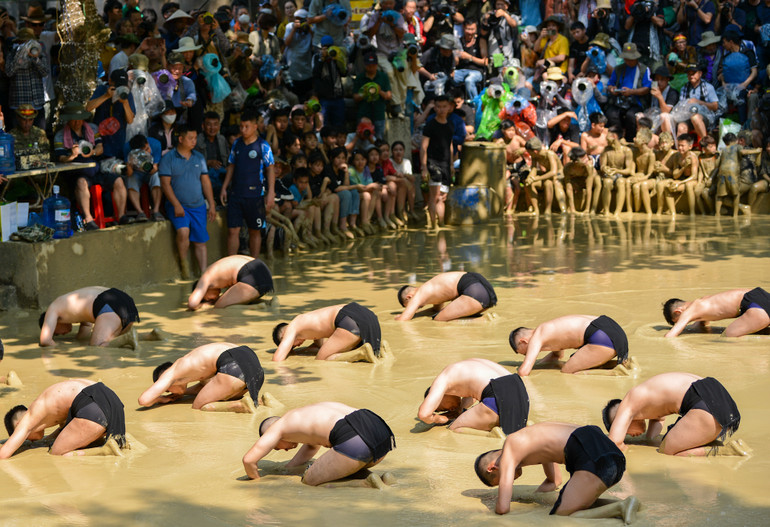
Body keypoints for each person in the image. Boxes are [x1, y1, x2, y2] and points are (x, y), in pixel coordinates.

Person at [474, 422, 638, 520]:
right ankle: (628, 504)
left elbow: (503, 509)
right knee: (578, 503)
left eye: (501, 480)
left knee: (562, 517)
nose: (510, 480)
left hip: (590, 456)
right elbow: (554, 481)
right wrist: (535, 496)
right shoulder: (528, 436)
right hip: (612, 456)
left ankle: (620, 507)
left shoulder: (510, 446)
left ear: (492, 467)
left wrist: (488, 511)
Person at [242, 402, 395, 488]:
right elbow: (312, 446)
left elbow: (249, 460)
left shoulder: (277, 426)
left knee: (309, 481)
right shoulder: (301, 415)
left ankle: (365, 483)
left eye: (276, 447)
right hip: (380, 432)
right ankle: (382, 479)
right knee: (338, 468)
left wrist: (257, 485)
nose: (285, 450)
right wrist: (289, 468)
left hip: (354, 438)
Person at [602, 372, 744, 456]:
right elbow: (659, 418)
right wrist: (650, 438)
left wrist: (631, 453)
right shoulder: (643, 398)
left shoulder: (629, 401)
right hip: (721, 398)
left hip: (704, 404)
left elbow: (614, 443)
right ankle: (711, 440)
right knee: (671, 442)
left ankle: (724, 451)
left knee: (667, 451)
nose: (628, 435)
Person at [1, 379, 127, 458]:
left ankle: (104, 451)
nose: (29, 440)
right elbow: (63, 432)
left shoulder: (29, 416)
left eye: (24, 438)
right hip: (112, 403)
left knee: (56, 453)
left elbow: (3, 455)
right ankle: (118, 441)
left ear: (18, 425)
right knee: (72, 441)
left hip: (92, 406)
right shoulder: (48, 407)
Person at [139, 342, 266, 412]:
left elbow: (143, 400)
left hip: (232, 366)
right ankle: (262, 401)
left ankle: (239, 405)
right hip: (254, 367)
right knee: (221, 393)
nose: (169, 393)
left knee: (197, 407)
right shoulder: (191, 365)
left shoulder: (171, 373)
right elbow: (205, 387)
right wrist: (184, 393)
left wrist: (159, 399)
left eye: (167, 390)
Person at [159, 125, 216, 279]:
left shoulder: (199, 157)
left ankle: (203, 273)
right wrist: (176, 205)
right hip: (178, 205)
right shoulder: (168, 158)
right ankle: (184, 267)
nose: (194, 141)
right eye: (190, 138)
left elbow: (206, 182)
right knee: (183, 232)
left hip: (198, 205)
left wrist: (212, 204)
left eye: (195, 138)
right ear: (180, 139)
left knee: (200, 241)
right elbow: (165, 184)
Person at [419, 358, 529, 435]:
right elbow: (473, 395)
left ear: (438, 396)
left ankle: (492, 435)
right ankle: (527, 425)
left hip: (497, 395)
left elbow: (424, 414)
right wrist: (459, 410)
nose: (450, 409)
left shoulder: (442, 379)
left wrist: (440, 418)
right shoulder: (463, 367)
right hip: (521, 391)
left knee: (454, 428)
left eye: (442, 407)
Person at [220, 111, 276, 259]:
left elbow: (270, 169)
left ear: (255, 127)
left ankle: (254, 263)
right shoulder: (237, 144)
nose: (243, 130)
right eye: (241, 126)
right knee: (233, 230)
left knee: (254, 231)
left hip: (255, 196)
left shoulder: (263, 146)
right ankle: (231, 263)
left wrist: (271, 193)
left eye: (247, 126)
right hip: (236, 194)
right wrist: (224, 187)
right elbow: (231, 166)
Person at [509, 315, 629, 377]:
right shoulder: (547, 329)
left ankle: (616, 372)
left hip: (602, 337)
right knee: (575, 362)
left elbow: (524, 372)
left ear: (523, 341)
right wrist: (538, 363)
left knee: (567, 371)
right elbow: (557, 356)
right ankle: (622, 364)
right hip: (612, 329)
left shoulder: (537, 336)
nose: (528, 355)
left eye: (525, 353)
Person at [272, 303, 383, 362]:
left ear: (283, 336)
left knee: (321, 360)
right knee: (372, 355)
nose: (297, 346)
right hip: (366, 315)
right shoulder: (307, 320)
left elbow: (277, 359)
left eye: (292, 346)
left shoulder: (293, 326)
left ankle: (360, 353)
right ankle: (383, 349)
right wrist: (300, 352)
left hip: (348, 320)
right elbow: (319, 346)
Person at [38, 287, 139, 349]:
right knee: (112, 338)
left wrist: (62, 348)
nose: (62, 334)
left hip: (107, 304)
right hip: (125, 301)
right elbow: (85, 332)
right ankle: (146, 336)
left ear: (53, 324)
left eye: (56, 334)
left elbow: (45, 341)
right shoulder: (70, 308)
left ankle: (126, 338)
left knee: (96, 347)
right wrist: (77, 340)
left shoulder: (53, 308)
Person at [663, 287, 770, 337]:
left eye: (679, 320)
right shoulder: (704, 301)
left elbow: (671, 336)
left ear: (678, 311)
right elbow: (702, 324)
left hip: (753, 305)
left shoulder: (689, 311)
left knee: (726, 337)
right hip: (760, 296)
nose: (685, 321)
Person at [396, 271, 497, 321]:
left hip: (473, 290)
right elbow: (436, 309)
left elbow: (403, 321)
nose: (416, 308)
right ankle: (483, 318)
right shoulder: (430, 288)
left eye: (409, 306)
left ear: (409, 297)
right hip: (483, 289)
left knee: (438, 320)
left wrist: (399, 317)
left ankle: (482, 320)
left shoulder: (418, 295)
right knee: (443, 315)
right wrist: (416, 314)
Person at [187, 255, 274, 310]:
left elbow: (192, 304)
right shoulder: (216, 273)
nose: (213, 299)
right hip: (263, 271)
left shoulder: (205, 277)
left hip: (249, 274)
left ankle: (255, 307)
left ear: (203, 292)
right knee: (232, 300)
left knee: (218, 308)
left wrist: (203, 305)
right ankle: (269, 303)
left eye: (209, 299)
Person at [420, 94, 455, 228]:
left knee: (442, 197)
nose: (441, 109)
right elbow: (424, 147)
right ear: (435, 108)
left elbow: (450, 144)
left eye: (444, 106)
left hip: (446, 164)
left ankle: (441, 223)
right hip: (433, 163)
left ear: (449, 107)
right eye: (439, 107)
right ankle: (433, 225)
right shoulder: (430, 125)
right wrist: (424, 167)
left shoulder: (450, 125)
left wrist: (451, 164)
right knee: (434, 196)